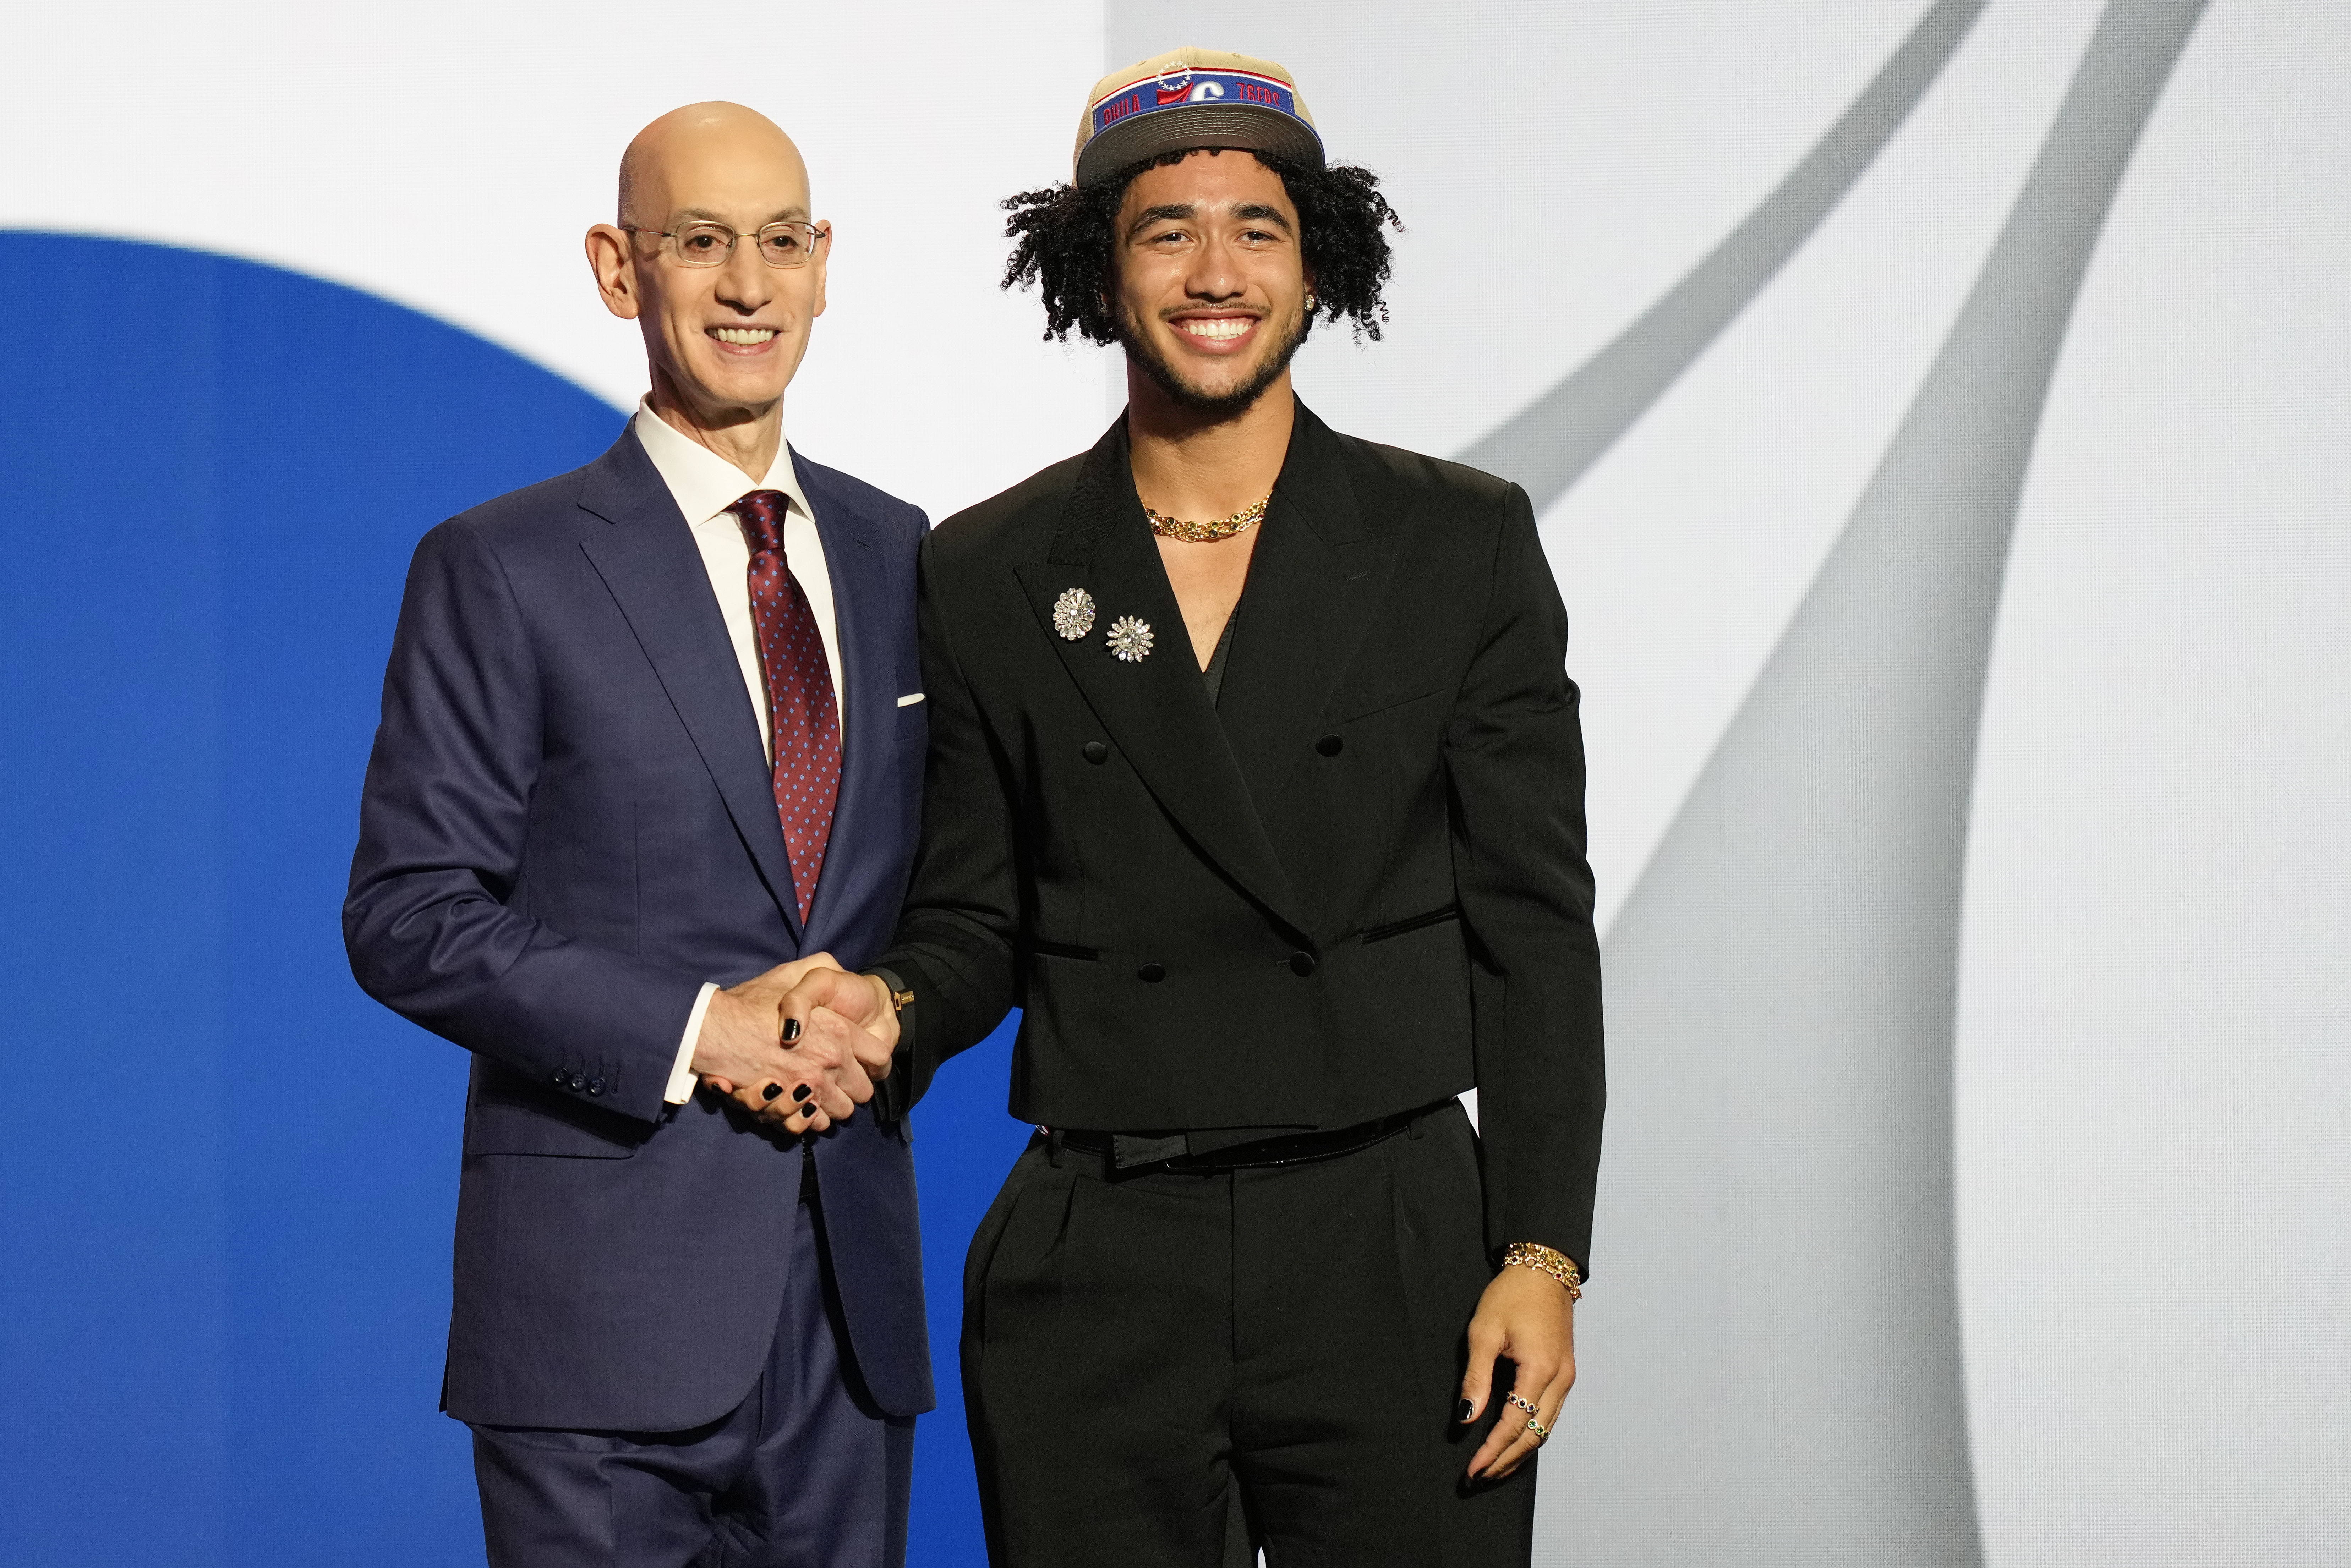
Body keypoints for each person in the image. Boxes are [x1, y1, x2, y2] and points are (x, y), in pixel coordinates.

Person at [783, 47, 1606, 1568]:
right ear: (1100, 268)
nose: (1214, 270)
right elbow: (977, 910)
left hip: (1395, 1239)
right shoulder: (991, 566)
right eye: (1167, 232)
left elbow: (1537, 932)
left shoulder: (1457, 542)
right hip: (1102, 1251)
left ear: (1318, 263)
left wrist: (1544, 1250)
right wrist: (887, 1000)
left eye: (1257, 228)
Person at [343, 103, 931, 1567]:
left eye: (781, 241)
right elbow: (410, 912)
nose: (749, 285)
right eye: (701, 243)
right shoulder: (500, 565)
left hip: (850, 1334)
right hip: (596, 1330)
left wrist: (892, 1006)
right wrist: (699, 1029)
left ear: (825, 263)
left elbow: (959, 889)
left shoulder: (907, 555)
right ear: (620, 269)